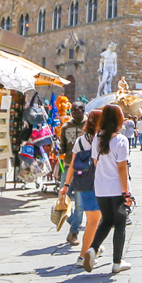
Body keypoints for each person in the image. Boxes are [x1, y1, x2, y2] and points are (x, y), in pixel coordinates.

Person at [85, 103, 132, 274]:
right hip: (116, 188)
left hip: (101, 188)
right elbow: (122, 169)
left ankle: (93, 249)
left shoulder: (97, 138)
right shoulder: (121, 140)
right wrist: (126, 192)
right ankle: (117, 262)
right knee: (120, 224)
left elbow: (96, 163)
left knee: (106, 220)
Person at [58, 109, 103, 268]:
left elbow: (72, 165)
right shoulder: (101, 140)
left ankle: (94, 247)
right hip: (96, 184)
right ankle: (83, 256)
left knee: (95, 220)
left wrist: (66, 185)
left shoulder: (80, 140)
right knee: (93, 221)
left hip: (82, 183)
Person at [58, 102, 86, 245]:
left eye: (76, 110)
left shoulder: (89, 126)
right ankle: (73, 221)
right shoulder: (65, 127)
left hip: (83, 169)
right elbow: (63, 146)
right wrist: (58, 149)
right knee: (63, 199)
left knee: (80, 203)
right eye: (72, 110)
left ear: (83, 110)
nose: (73, 112)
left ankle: (74, 232)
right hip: (68, 166)